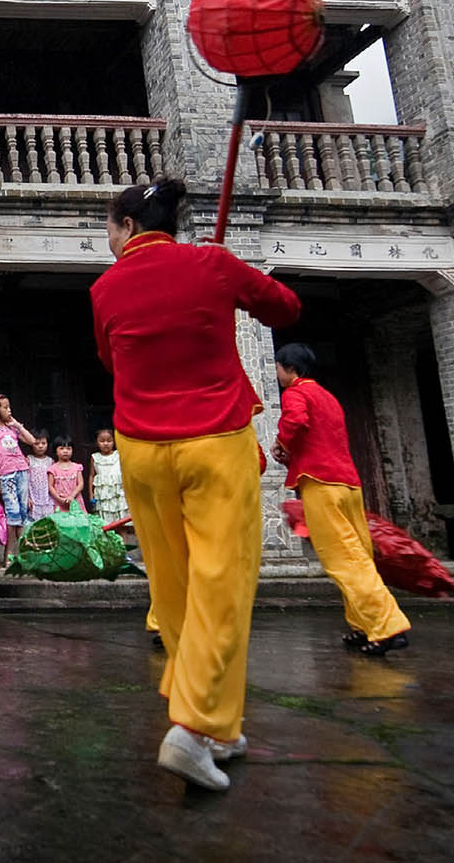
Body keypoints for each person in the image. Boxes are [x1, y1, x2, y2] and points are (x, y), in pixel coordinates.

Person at [90, 178, 300, 791]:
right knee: (221, 582)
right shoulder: (211, 261)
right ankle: (193, 724)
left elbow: (111, 359)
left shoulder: (104, 288)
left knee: (175, 586)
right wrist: (228, 275)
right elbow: (285, 309)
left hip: (140, 447)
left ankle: (217, 727)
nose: (106, 238)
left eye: (107, 226)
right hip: (213, 437)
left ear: (128, 225)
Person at [271, 343, 411, 657]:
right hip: (348, 483)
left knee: (343, 559)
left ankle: (387, 626)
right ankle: (363, 625)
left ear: (287, 367)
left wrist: (280, 444)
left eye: (278, 366)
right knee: (358, 553)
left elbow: (294, 422)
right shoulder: (328, 396)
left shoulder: (296, 393)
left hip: (322, 484)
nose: (277, 373)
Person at [0, 395, 37, 565]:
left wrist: (16, 424)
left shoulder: (12, 429)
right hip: (6, 474)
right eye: (5, 408)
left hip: (22, 470)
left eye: (9, 407)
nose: (9, 410)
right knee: (12, 513)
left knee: (23, 514)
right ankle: (8, 554)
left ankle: (23, 555)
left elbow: (32, 441)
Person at [89, 428, 128, 519]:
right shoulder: (95, 457)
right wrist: (91, 494)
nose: (106, 443)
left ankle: (123, 532)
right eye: (102, 441)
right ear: (97, 442)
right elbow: (91, 476)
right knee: (106, 519)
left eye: (109, 441)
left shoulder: (118, 455)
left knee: (122, 518)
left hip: (119, 493)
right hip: (103, 495)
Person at [48, 438, 86, 513]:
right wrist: (58, 498)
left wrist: (72, 496)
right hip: (59, 502)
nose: (65, 451)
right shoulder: (52, 468)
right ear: (56, 450)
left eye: (68, 449)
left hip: (75, 500)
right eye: (61, 448)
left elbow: (81, 484)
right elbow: (50, 486)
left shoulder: (77, 467)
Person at [25, 430, 55, 526]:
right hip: (33, 497)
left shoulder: (51, 461)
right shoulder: (28, 460)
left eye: (43, 443)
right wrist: (27, 497)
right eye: (37, 443)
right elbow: (25, 480)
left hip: (47, 498)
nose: (40, 446)